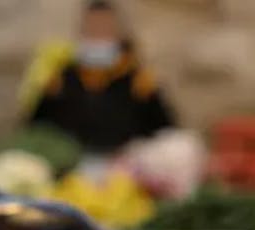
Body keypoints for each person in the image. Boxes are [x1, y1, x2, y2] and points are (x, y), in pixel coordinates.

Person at [30, 0, 175, 152]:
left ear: (118, 33)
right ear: (81, 32)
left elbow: (166, 132)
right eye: (92, 28)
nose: (98, 35)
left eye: (105, 29)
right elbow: (35, 128)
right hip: (70, 162)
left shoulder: (139, 81)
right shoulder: (61, 79)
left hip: (127, 164)